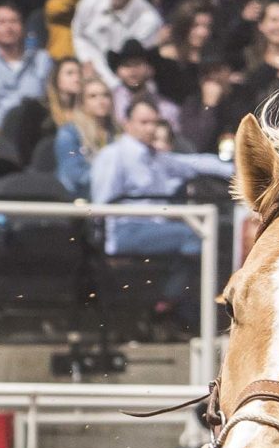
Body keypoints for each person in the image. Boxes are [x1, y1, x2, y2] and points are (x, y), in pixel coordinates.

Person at [89, 96, 230, 314]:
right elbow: (102, 204)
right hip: (123, 231)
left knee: (202, 237)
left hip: (154, 228)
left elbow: (195, 162)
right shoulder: (114, 156)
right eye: (143, 122)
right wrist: (102, 241)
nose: (150, 128)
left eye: (154, 122)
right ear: (128, 124)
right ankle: (170, 304)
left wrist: (239, 168)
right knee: (198, 237)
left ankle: (168, 304)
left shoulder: (156, 158)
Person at [70, 0, 163, 78]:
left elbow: (131, 59)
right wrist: (86, 60)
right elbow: (79, 36)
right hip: (89, 71)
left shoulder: (149, 19)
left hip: (126, 80)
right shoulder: (89, 1)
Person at [48, 73, 117, 193]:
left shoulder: (117, 133)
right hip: (79, 199)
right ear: (82, 102)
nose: (101, 101)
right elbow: (73, 174)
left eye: (105, 95)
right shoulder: (69, 133)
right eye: (92, 96)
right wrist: (112, 180)